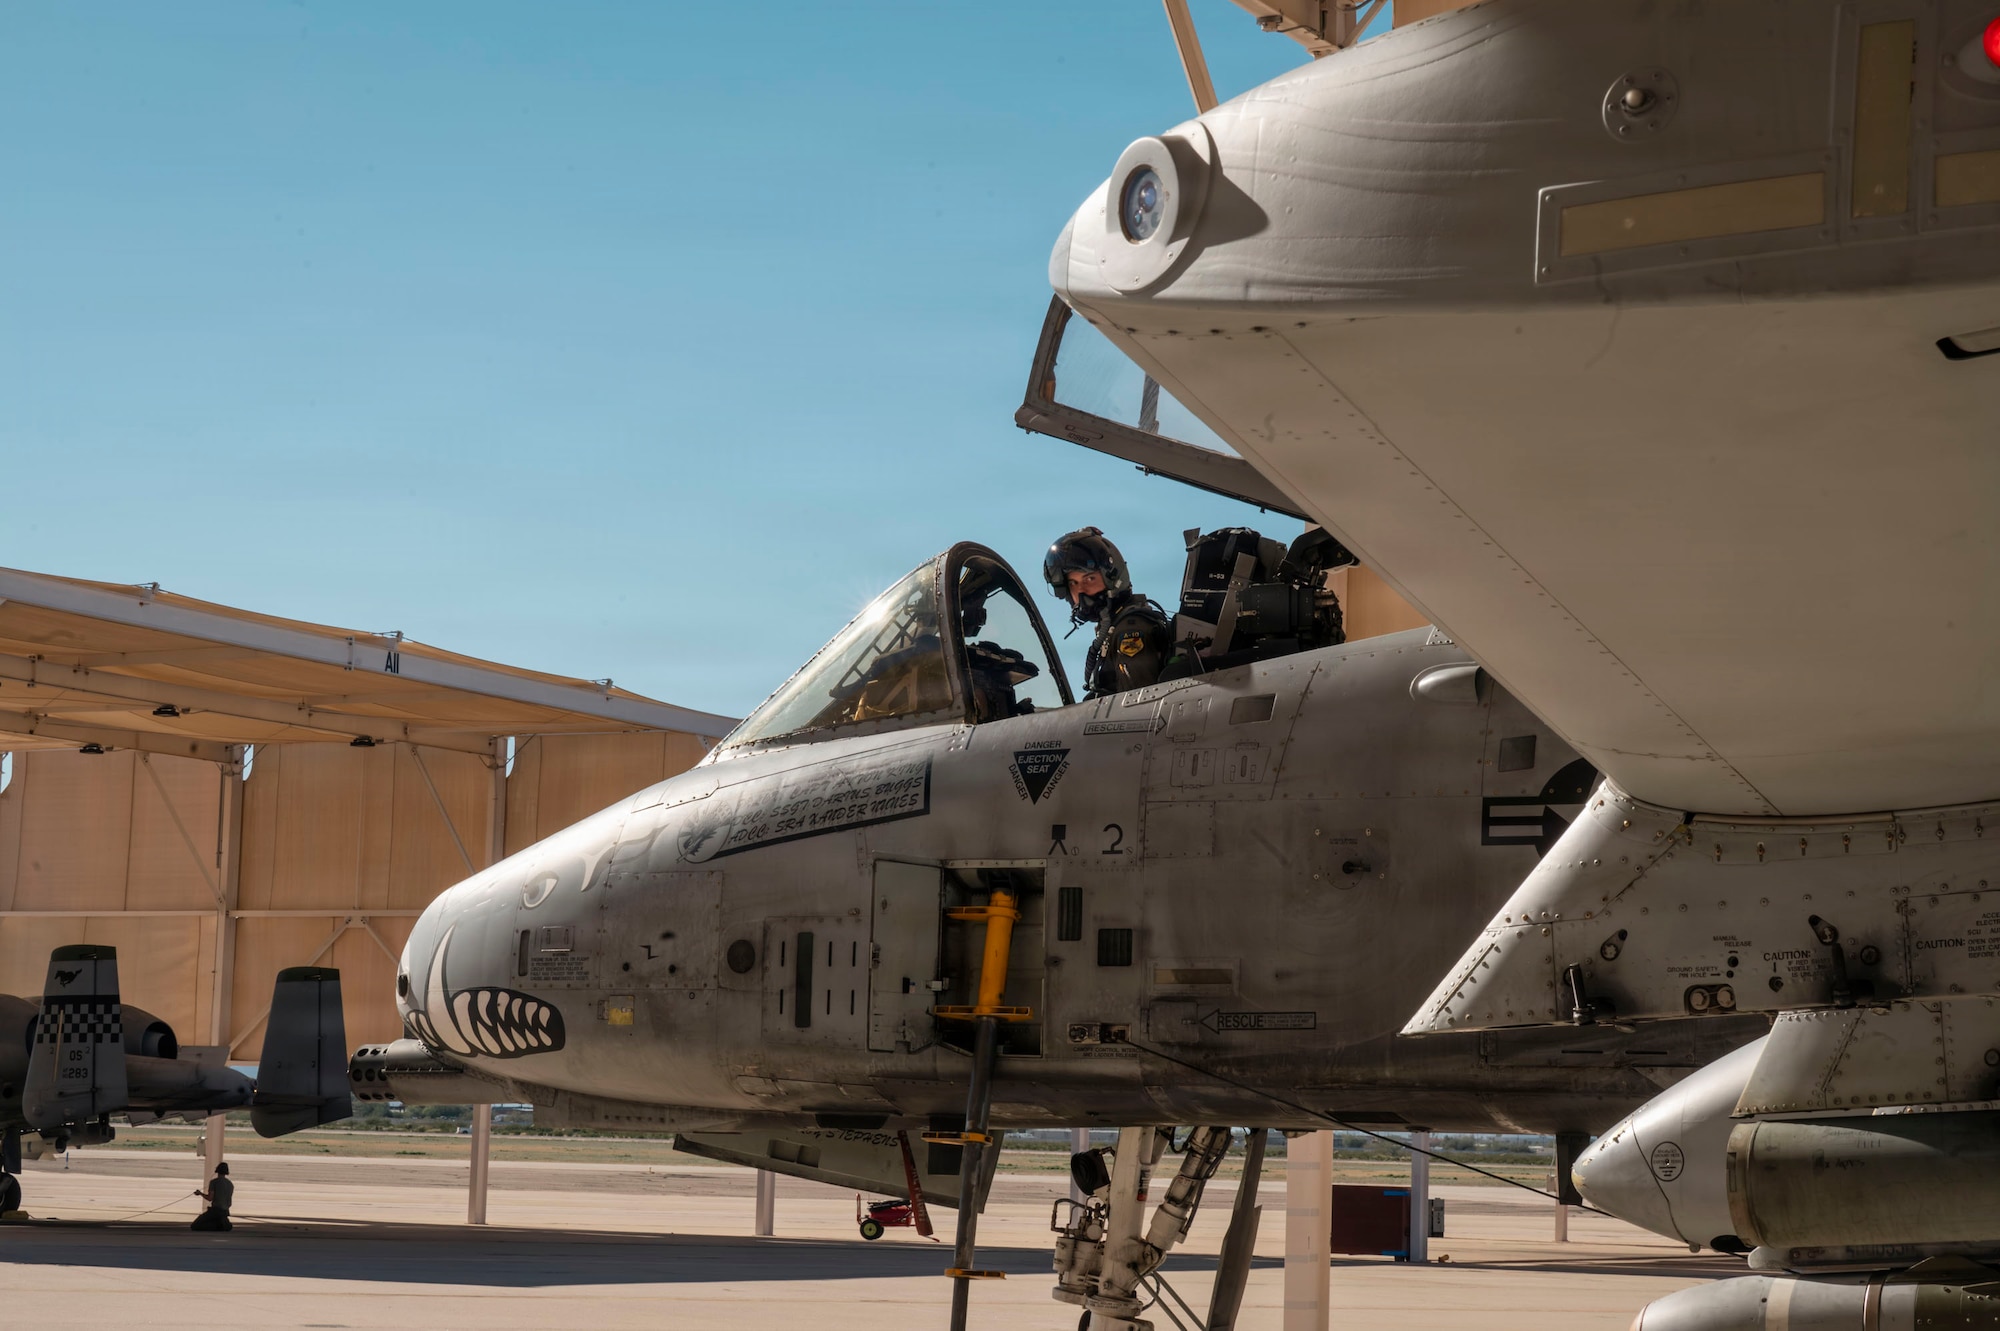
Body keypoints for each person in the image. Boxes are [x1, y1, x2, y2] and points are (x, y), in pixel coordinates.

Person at [1042, 527, 1171, 698]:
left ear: (1113, 579)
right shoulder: (1114, 629)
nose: (1081, 590)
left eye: (1089, 579)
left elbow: (1139, 707)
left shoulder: (1130, 630)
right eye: (1073, 582)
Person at [191, 1160, 233, 1231]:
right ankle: (222, 1223)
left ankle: (218, 1226)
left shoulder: (214, 1182)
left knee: (195, 1225)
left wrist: (200, 1193)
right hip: (225, 1211)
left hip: (215, 1210)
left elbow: (210, 1198)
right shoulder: (230, 1184)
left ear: (217, 1170)